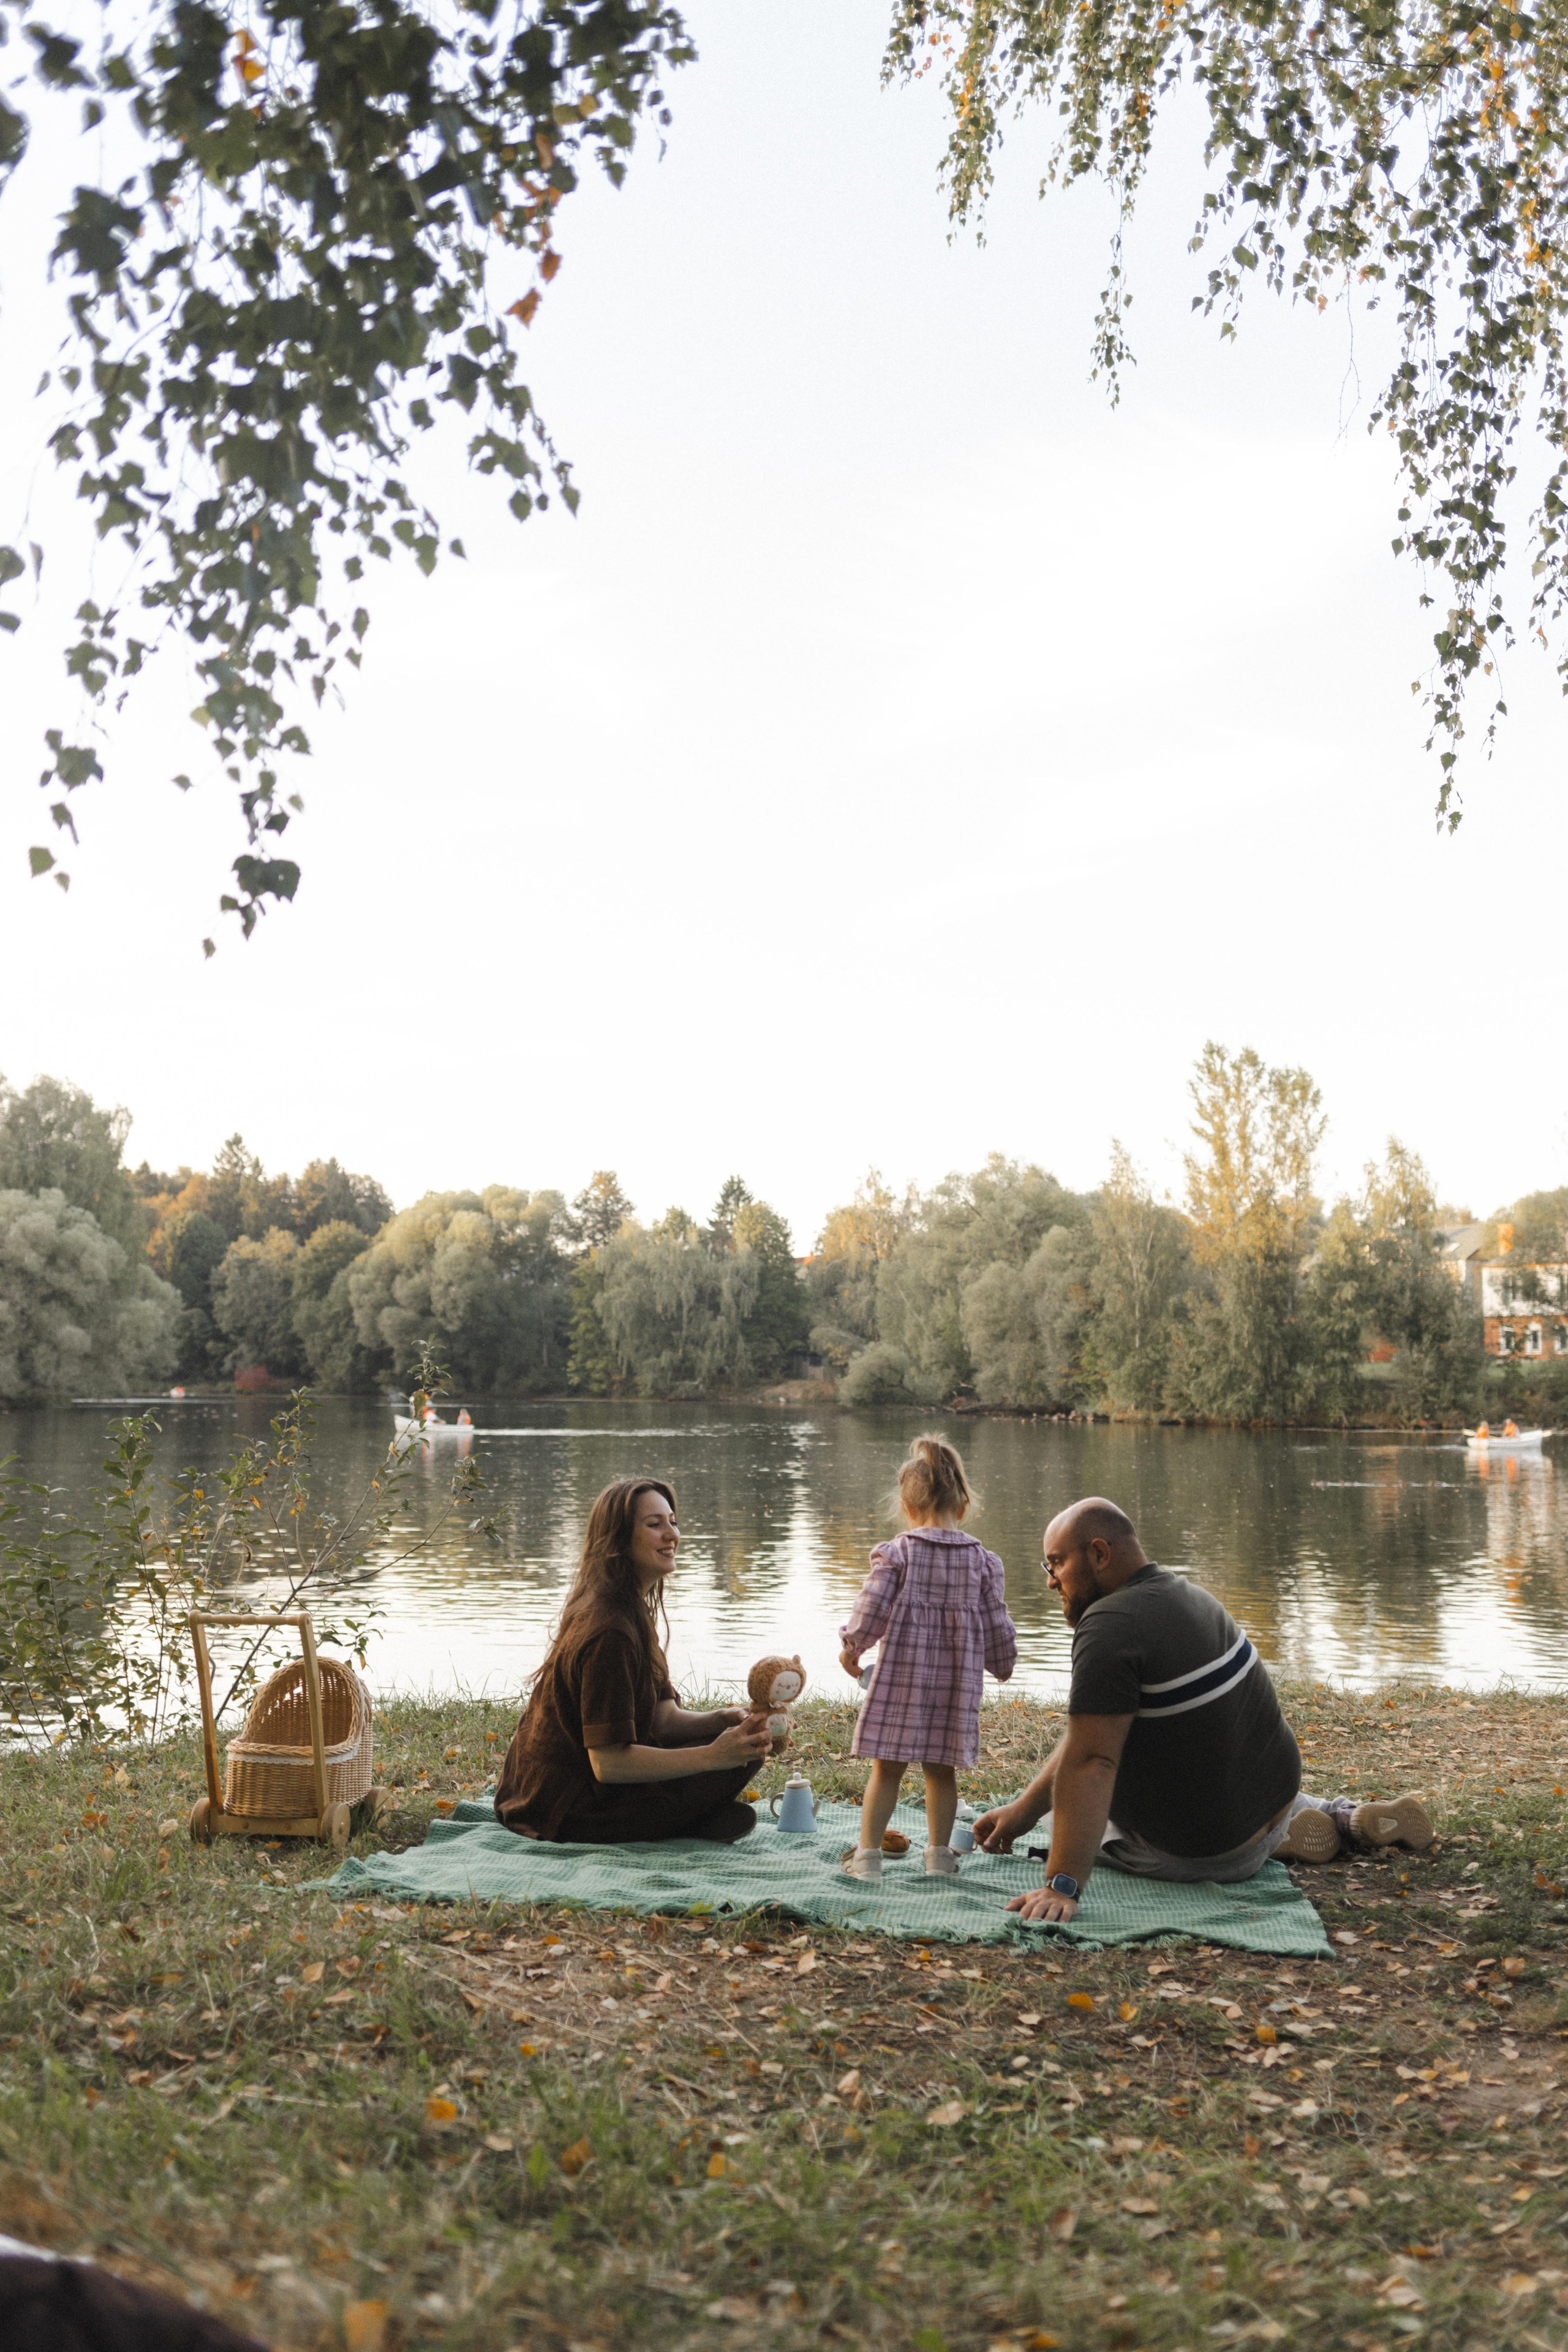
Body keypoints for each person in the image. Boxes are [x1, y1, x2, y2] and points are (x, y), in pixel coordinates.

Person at [976, 1497, 1432, 1923]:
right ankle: (1337, 1816)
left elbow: (1092, 1761)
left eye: (1057, 1563)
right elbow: (1091, 1739)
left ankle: (1262, 1850)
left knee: (1065, 1813)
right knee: (1095, 1755)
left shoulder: (1109, 1627)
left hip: (1210, 1855)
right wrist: (1021, 1810)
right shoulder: (1188, 1596)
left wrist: (1061, 1885)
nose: (1050, 1580)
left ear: (1099, 1554)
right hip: (1271, 1803)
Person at [494, 1477, 772, 1844]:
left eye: (673, 1522)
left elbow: (662, 1718)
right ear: (618, 1540)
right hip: (559, 1809)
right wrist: (713, 1756)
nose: (672, 1535)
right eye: (654, 1525)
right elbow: (608, 1763)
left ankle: (680, 1822)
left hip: (577, 1791)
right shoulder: (609, 1631)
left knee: (744, 1745)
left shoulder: (630, 1609)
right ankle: (673, 1825)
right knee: (732, 1758)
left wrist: (721, 1720)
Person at [839, 1434, 1018, 1882]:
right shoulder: (983, 1563)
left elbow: (871, 1608)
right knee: (941, 1772)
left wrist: (852, 1646)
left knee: (886, 1770)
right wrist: (1003, 1662)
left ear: (907, 1506)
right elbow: (997, 1622)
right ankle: (939, 1857)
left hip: (901, 1682)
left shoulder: (897, 1554)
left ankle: (867, 1859)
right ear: (963, 1505)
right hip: (954, 1688)